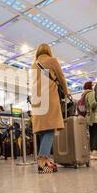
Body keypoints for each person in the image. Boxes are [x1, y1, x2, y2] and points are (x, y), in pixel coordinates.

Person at [31, 43, 68, 174]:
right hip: (49, 98)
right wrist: (67, 92)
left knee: (43, 129)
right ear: (48, 50)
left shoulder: (33, 64)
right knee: (50, 129)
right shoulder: (52, 61)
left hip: (37, 100)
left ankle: (45, 161)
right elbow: (61, 77)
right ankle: (42, 160)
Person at [79, 82, 97, 159]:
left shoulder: (83, 95)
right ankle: (94, 151)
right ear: (90, 86)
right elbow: (92, 104)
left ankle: (92, 152)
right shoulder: (91, 93)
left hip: (87, 117)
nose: (93, 87)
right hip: (94, 117)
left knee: (92, 134)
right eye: (92, 85)